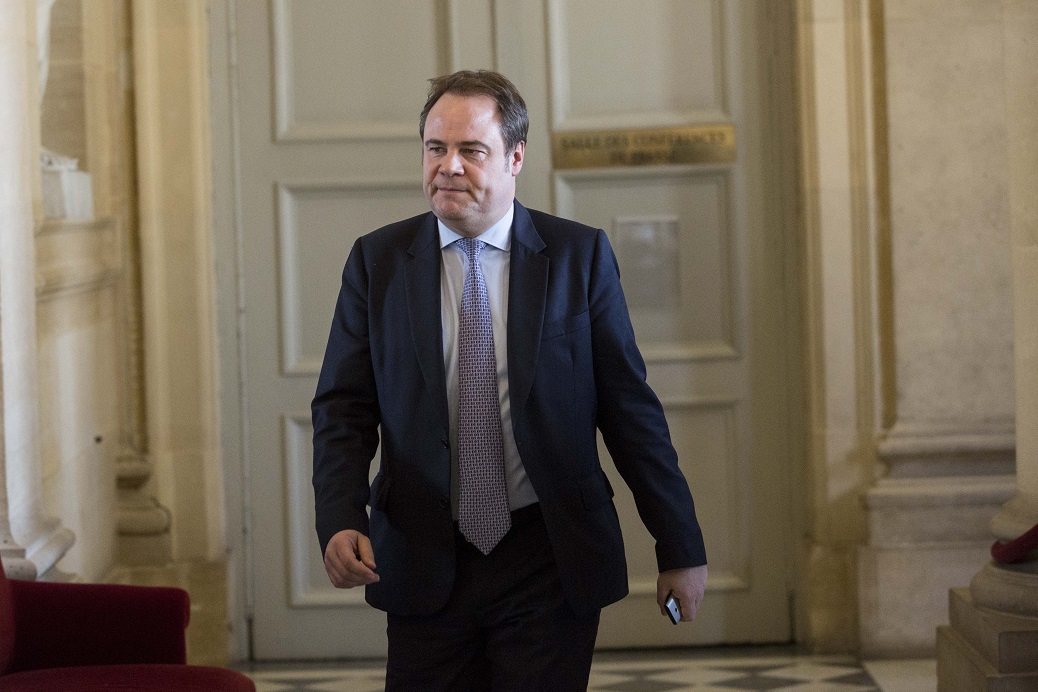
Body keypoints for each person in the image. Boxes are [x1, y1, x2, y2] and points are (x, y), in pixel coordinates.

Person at [312, 69, 707, 691]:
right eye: (435, 148)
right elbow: (344, 408)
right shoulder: (377, 262)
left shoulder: (578, 258)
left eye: (471, 150)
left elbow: (630, 411)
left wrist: (679, 545)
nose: (448, 166)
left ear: (515, 157)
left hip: (547, 554)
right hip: (423, 555)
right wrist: (339, 516)